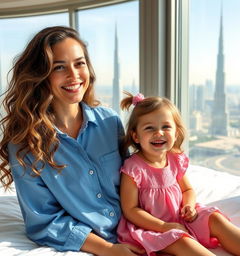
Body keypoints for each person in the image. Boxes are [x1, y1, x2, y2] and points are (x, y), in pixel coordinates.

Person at [0, 26, 144, 256]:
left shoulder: (110, 122)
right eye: (59, 67)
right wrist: (109, 249)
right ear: (41, 75)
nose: (74, 75)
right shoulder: (25, 144)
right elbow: (44, 221)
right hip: (97, 245)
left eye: (79, 63)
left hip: (140, 230)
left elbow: (135, 180)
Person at [117, 92, 240, 256]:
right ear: (136, 136)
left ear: (175, 133)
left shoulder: (175, 159)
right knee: (181, 240)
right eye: (149, 128)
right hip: (152, 226)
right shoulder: (133, 168)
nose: (159, 133)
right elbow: (130, 210)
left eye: (166, 127)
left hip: (181, 217)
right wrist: (163, 226)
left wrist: (189, 205)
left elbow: (187, 190)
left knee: (215, 219)